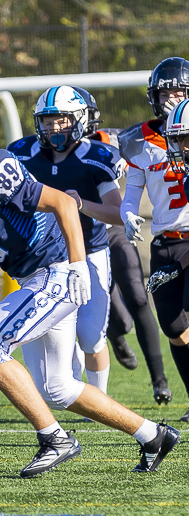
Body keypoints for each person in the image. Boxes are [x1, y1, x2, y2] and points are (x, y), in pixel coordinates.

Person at [0, 93, 179, 477]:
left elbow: (63, 204)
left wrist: (79, 268)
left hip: (57, 271)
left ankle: (55, 439)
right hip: (34, 278)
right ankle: (153, 435)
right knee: (58, 387)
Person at [8, 86, 123, 399]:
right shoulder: (21, 153)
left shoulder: (96, 156)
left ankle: (100, 397)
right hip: (45, 258)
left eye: (62, 120)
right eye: (48, 121)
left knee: (91, 336)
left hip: (91, 252)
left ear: (81, 120)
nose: (54, 127)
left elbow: (119, 214)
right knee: (60, 330)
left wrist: (81, 204)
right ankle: (74, 394)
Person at [72, 86, 171, 404]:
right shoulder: (43, 152)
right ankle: (113, 335)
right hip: (77, 238)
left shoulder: (112, 141)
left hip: (112, 229)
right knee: (108, 317)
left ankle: (159, 380)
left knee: (139, 299)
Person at [118, 56, 189, 420]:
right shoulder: (138, 141)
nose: (171, 100)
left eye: (178, 92)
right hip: (165, 241)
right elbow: (132, 192)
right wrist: (128, 212)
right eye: (165, 93)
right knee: (175, 327)